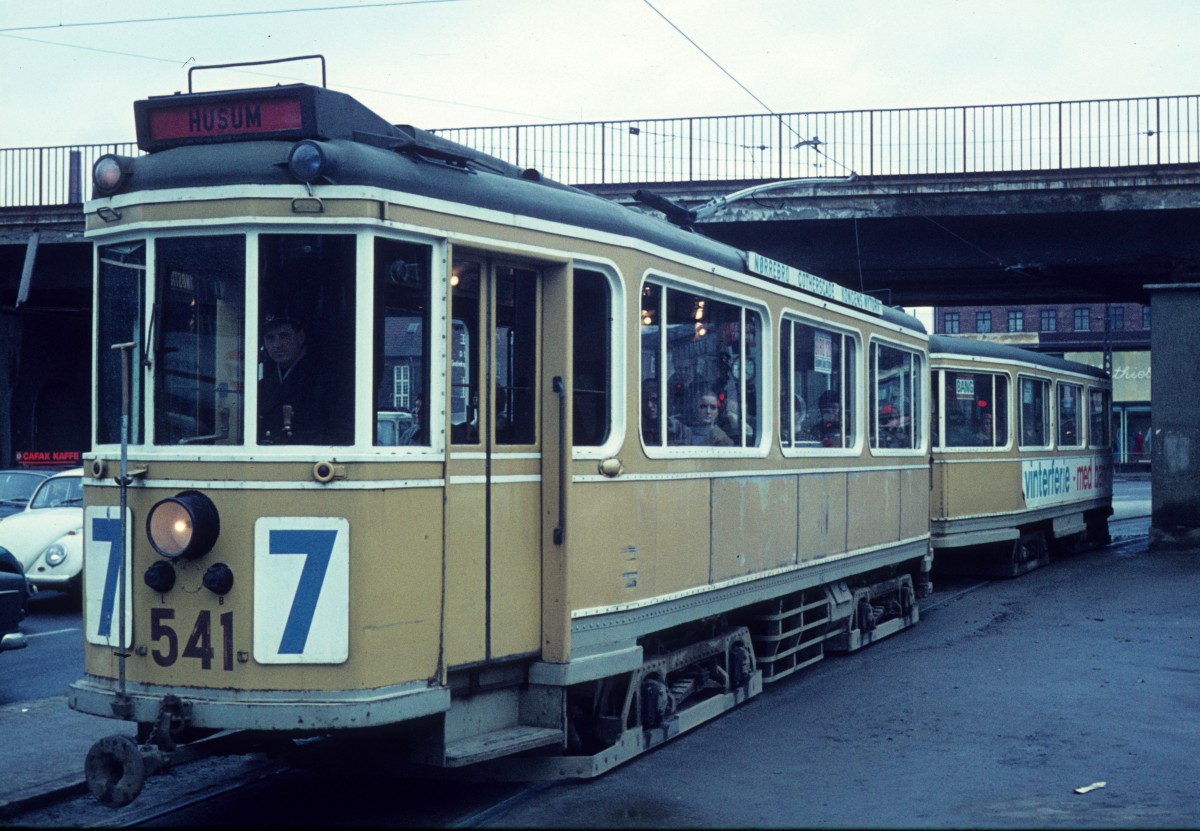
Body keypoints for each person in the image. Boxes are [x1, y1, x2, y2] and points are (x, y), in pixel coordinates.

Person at [258, 313, 342, 444]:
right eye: (270, 338)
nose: (277, 344)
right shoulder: (263, 384)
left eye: (284, 336)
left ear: (300, 337)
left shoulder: (326, 378)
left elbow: (340, 433)